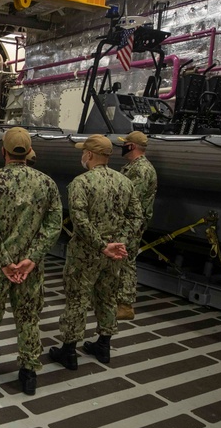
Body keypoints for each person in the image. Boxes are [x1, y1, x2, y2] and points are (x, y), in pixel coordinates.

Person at [0, 128, 63, 397]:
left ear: (3, 152)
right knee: (29, 317)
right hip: (30, 269)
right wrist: (31, 259)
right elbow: (54, 226)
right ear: (29, 151)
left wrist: (5, 262)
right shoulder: (47, 184)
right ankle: (29, 373)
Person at [51, 134, 143, 370]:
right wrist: (118, 243)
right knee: (107, 297)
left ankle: (69, 351)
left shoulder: (81, 183)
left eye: (84, 152)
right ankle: (103, 345)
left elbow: (79, 221)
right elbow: (136, 217)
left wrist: (101, 245)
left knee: (77, 299)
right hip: (115, 255)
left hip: (85, 254)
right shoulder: (125, 182)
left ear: (90, 154)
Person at [116, 131, 158, 320]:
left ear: (131, 146)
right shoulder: (132, 166)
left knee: (126, 261)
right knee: (121, 261)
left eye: (125, 144)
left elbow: (131, 200)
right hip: (126, 222)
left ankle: (125, 305)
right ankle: (117, 300)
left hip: (131, 224)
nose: (123, 146)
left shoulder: (141, 170)